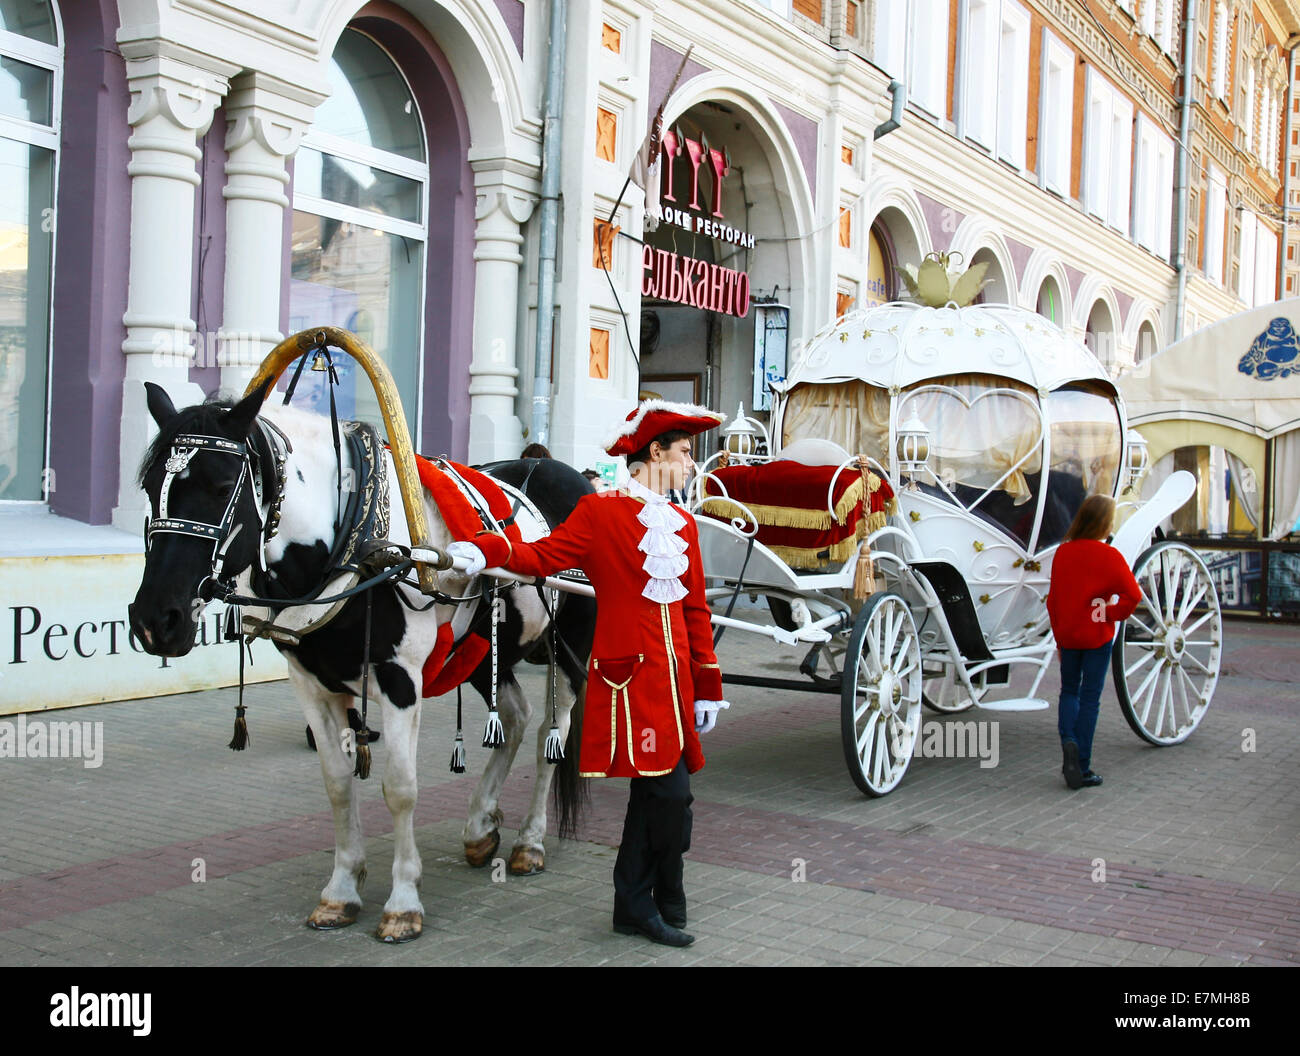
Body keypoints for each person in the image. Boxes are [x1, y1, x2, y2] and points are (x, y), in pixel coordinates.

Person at [448, 401, 729, 947]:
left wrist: (708, 685)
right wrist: (479, 553)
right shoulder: (600, 515)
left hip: (674, 689)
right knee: (668, 797)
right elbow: (540, 555)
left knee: (663, 798)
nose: (693, 465)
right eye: (686, 453)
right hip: (629, 685)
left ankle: (638, 903)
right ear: (656, 452)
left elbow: (695, 610)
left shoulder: (685, 527)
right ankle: (663, 893)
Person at [1045, 495, 1141, 790]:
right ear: (1104, 523)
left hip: (1069, 635)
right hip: (1097, 635)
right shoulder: (1109, 556)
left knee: (1069, 692)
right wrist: (1109, 614)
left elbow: (1053, 601)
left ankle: (1069, 742)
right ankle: (1082, 765)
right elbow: (1133, 596)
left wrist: (1060, 638)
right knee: (1090, 698)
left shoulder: (1063, 552)